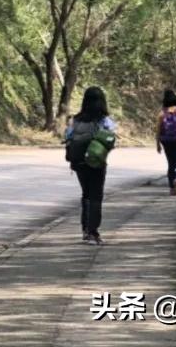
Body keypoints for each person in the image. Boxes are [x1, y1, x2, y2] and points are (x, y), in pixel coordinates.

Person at [64, 86, 117, 245]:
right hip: (96, 163)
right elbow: (110, 140)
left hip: (79, 162)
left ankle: (85, 230)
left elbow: (68, 137)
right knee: (96, 196)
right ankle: (93, 232)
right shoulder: (105, 121)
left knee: (86, 194)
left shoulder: (75, 120)